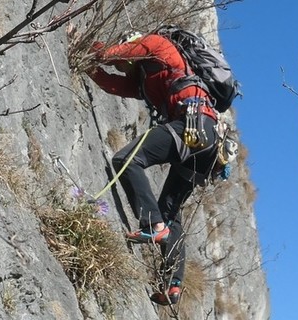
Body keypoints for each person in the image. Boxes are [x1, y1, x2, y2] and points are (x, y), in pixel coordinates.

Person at [86, 31, 223, 306]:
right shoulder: (145, 82)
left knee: (126, 160)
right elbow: (113, 85)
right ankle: (173, 284)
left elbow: (116, 53)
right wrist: (90, 68)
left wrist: (88, 47)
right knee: (171, 213)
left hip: (192, 125)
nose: (124, 69)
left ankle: (151, 222)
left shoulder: (158, 45)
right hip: (208, 142)